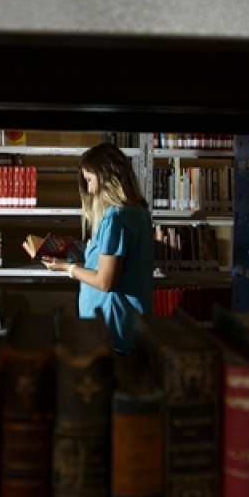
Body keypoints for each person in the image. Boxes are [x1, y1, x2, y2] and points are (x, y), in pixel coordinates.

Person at [41, 142, 153, 353]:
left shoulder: (115, 218)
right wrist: (79, 249)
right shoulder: (140, 212)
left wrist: (67, 268)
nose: (90, 190)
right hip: (129, 323)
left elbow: (105, 281)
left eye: (90, 180)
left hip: (111, 328)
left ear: (107, 177)